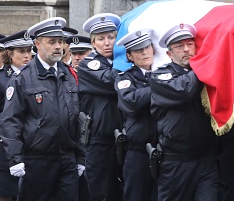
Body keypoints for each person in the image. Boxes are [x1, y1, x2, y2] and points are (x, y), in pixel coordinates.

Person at [0, 17, 84, 200]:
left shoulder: (68, 75)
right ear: (37, 44)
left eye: (60, 41)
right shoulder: (23, 78)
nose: (58, 46)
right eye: (51, 42)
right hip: (37, 160)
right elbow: (11, 120)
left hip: (66, 158)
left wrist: (80, 156)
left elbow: (76, 118)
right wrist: (15, 158)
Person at [150, 23, 218, 201]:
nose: (187, 49)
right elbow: (183, 91)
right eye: (180, 46)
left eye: (190, 44)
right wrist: (202, 66)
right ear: (169, 54)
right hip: (176, 162)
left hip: (206, 159)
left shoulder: (206, 72)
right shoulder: (160, 76)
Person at [78, 13, 124, 201]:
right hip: (99, 139)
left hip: (124, 137)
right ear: (93, 43)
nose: (107, 43)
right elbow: (111, 82)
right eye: (101, 39)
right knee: (101, 192)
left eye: (111, 37)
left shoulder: (122, 63)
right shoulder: (89, 64)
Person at [114, 29, 158, 201]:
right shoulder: (125, 78)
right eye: (139, 50)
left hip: (162, 148)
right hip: (138, 150)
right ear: (130, 56)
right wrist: (159, 86)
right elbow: (130, 102)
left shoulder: (163, 73)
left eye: (147, 47)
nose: (145, 52)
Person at [0, 31, 33, 201]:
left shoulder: (37, 77)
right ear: (9, 53)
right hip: (6, 148)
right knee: (7, 193)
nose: (27, 56)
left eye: (29, 51)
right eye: (21, 51)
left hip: (33, 145)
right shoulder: (1, 78)